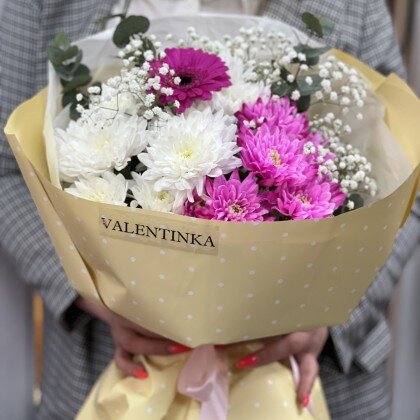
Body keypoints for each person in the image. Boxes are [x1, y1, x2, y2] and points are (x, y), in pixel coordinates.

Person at [0, 1, 418, 419]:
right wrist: (99, 292)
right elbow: (7, 170)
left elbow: (405, 179)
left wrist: (327, 312)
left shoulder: (355, 8)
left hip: (316, 383)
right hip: (106, 371)